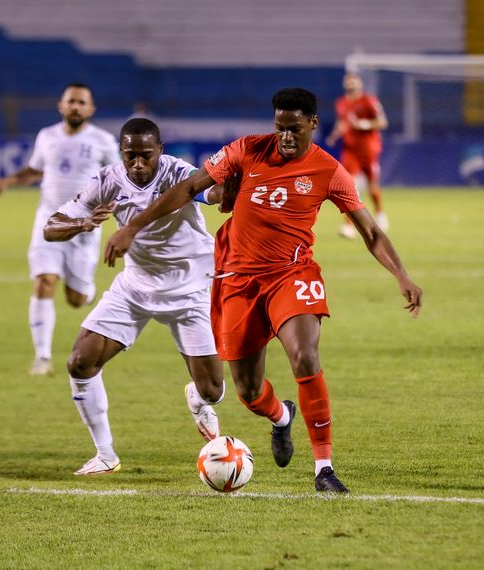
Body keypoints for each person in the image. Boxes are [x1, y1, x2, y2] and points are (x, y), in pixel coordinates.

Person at [105, 88, 423, 493]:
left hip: (292, 274)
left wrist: (403, 275)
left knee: (305, 357)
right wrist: (132, 226)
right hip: (237, 280)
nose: (286, 137)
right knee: (249, 392)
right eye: (280, 128)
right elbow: (188, 189)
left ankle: (324, 469)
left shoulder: (329, 170)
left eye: (294, 129)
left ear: (312, 124)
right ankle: (281, 417)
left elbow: (371, 231)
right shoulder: (246, 150)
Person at [43, 118, 224, 475]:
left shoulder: (177, 172)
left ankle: (199, 400)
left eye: (145, 155)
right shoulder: (107, 180)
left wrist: (224, 186)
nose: (138, 164)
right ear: (121, 153)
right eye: (130, 156)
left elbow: (210, 193)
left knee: (213, 389)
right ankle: (106, 455)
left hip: (191, 288)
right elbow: (51, 227)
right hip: (135, 286)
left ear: (160, 150)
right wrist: (82, 224)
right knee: (80, 362)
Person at [0, 83, 120, 375]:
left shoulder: (103, 141)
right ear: (61, 105)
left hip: (85, 227)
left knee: (76, 299)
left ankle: (88, 292)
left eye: (82, 102)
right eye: (71, 101)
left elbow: (118, 179)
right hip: (49, 221)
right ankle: (42, 358)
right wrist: (7, 180)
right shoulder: (46, 136)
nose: (76, 106)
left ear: (90, 109)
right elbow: (35, 170)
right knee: (44, 280)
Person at [325, 72, 390, 238]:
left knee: (372, 185)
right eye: (348, 81)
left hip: (369, 149)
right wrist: (335, 135)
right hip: (350, 150)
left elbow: (382, 122)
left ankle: (380, 213)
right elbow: (342, 122)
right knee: (349, 186)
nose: (350, 84)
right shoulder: (341, 103)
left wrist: (365, 124)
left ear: (359, 83)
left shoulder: (369, 101)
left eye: (353, 81)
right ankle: (349, 226)